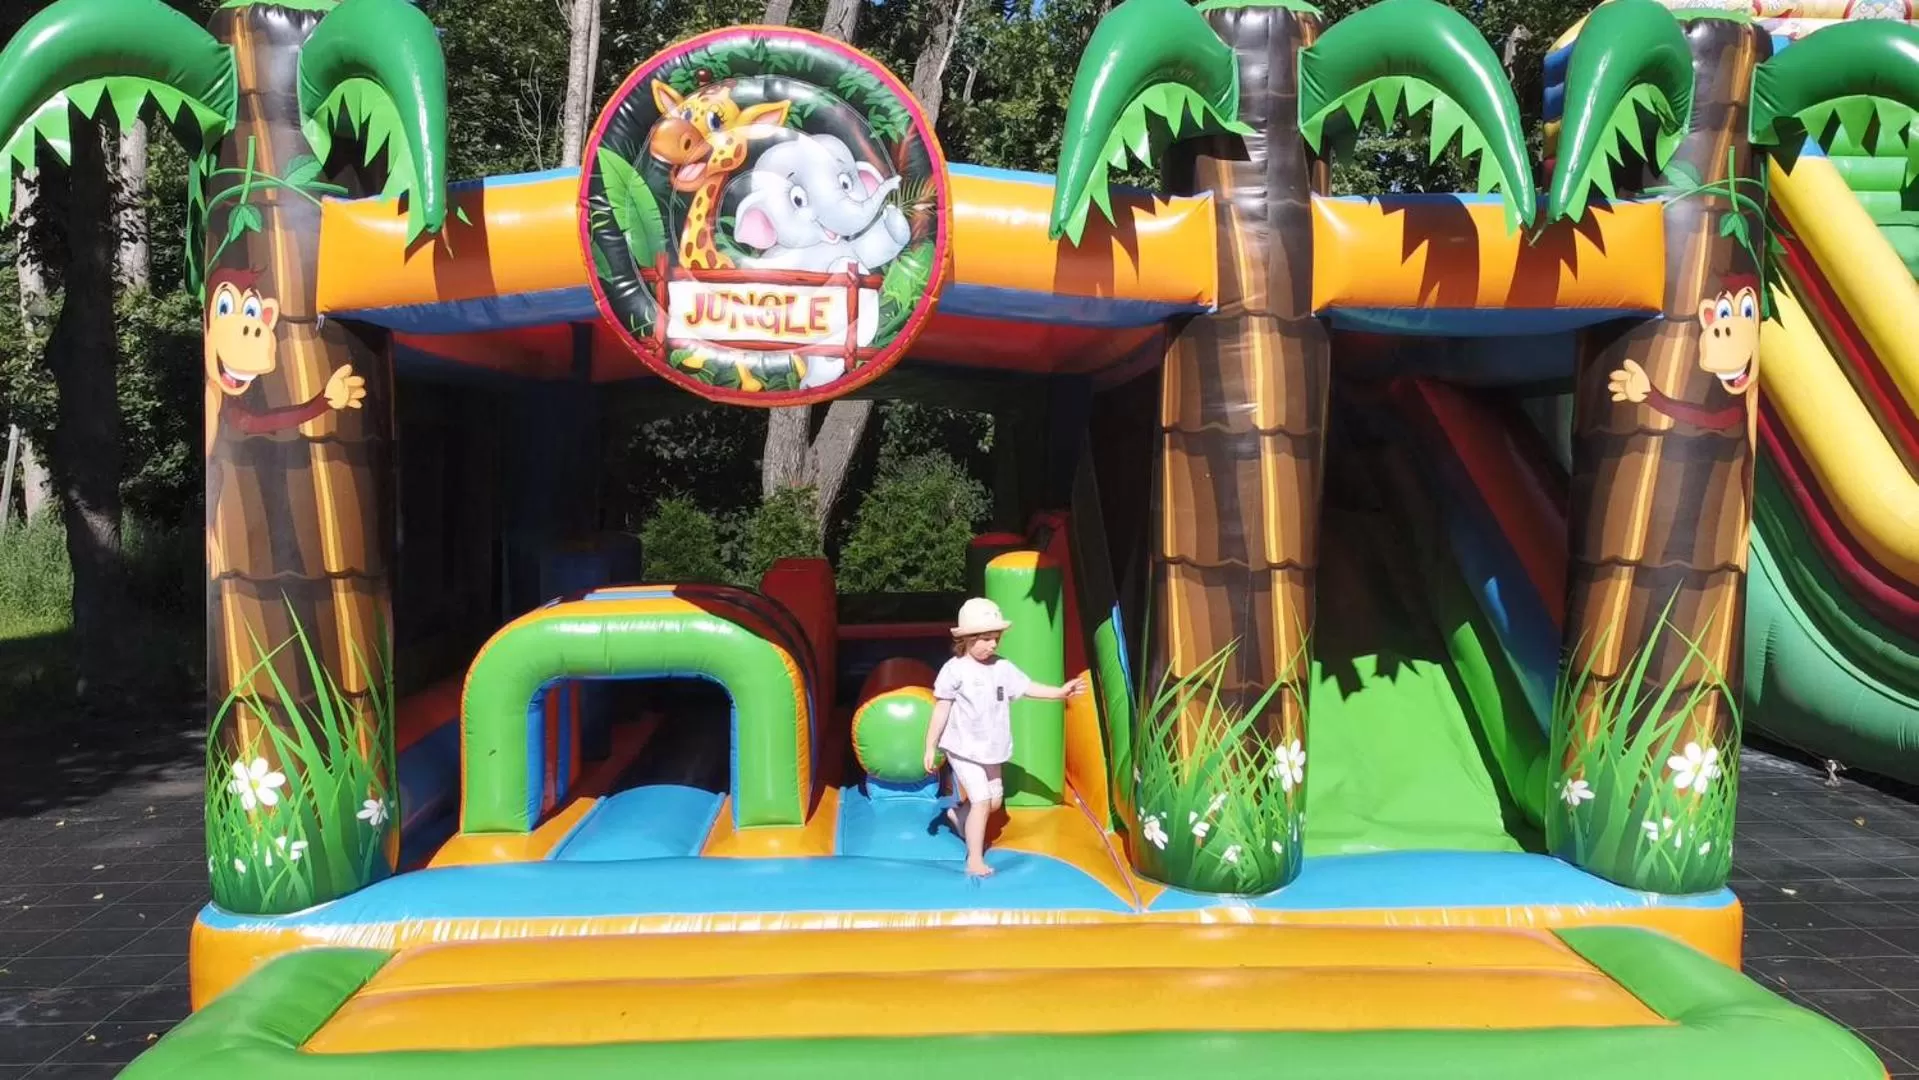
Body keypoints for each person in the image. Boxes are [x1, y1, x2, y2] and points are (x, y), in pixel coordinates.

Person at [923, 597, 1086, 877]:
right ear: (967, 639)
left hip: (992, 748)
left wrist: (1059, 692)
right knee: (982, 801)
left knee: (994, 802)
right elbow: (941, 708)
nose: (993, 645)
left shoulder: (1002, 667)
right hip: (963, 748)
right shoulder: (955, 670)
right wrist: (930, 746)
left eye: (995, 638)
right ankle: (974, 858)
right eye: (986, 639)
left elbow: (1027, 687)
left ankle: (957, 816)